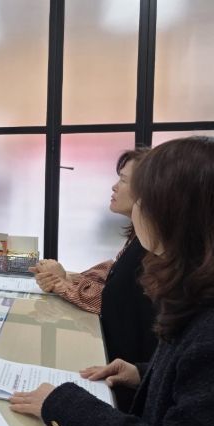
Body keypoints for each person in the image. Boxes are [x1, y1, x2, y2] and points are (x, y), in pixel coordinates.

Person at [10, 136, 214, 426]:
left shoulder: (207, 331)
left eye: (145, 198)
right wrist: (143, 374)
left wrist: (66, 406)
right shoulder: (194, 291)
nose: (137, 209)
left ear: (175, 213)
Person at [30, 149, 157, 408]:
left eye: (123, 180)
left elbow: (112, 300)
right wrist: (65, 279)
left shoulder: (150, 250)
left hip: (128, 385)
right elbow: (110, 277)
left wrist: (62, 284)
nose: (114, 186)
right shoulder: (138, 240)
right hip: (129, 371)